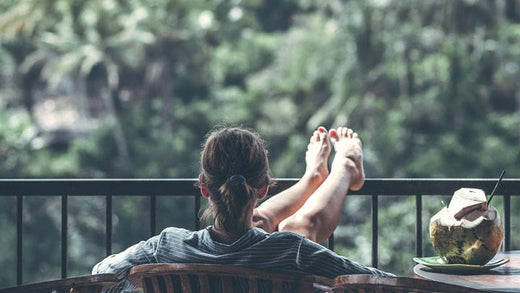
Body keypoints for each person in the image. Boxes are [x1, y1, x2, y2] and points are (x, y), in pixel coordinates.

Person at [92, 126, 392, 286]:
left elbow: (102, 273)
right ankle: (341, 166)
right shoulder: (293, 251)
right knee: (292, 230)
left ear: (204, 187)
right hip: (276, 248)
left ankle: (315, 176)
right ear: (263, 188)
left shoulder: (166, 247)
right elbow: (377, 283)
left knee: (274, 229)